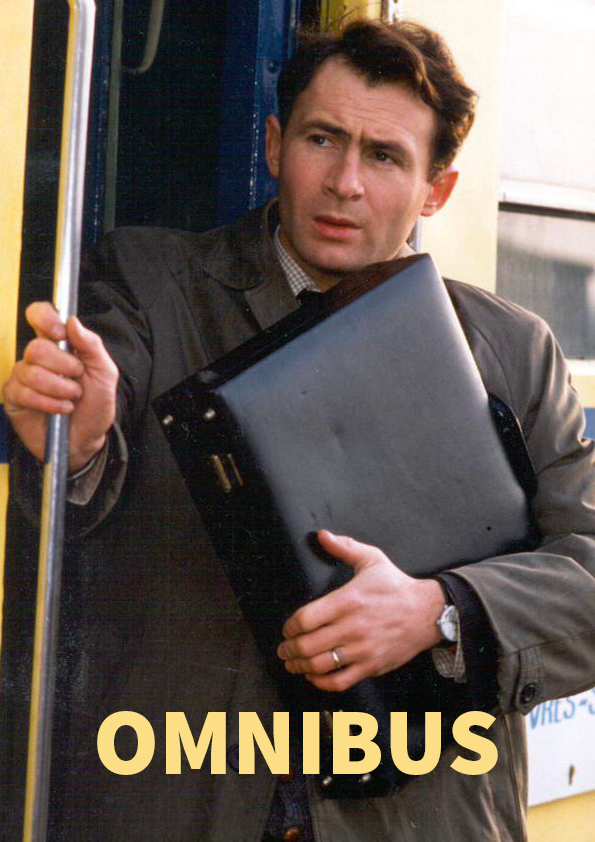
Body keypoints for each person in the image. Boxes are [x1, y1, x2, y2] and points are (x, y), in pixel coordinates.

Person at [3, 18, 595, 842]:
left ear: (437, 190)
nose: (345, 182)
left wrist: (437, 610)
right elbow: (86, 455)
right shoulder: (146, 282)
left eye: (384, 156)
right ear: (275, 145)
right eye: (323, 140)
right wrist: (82, 441)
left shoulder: (514, 350)